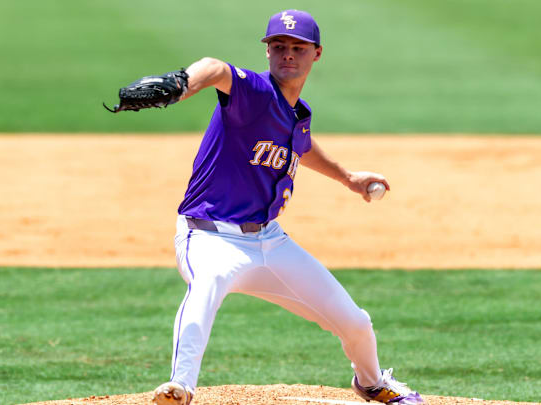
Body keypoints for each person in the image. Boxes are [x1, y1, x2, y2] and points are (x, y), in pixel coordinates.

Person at [111, 9, 424, 405]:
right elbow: (215, 68)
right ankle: (181, 386)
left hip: (270, 243)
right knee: (205, 288)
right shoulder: (254, 93)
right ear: (268, 52)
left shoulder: (297, 114)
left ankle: (371, 381)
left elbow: (302, 146)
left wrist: (347, 177)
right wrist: (182, 84)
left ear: (316, 54)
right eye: (279, 46)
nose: (287, 54)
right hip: (209, 236)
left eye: (297, 47)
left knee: (356, 322)